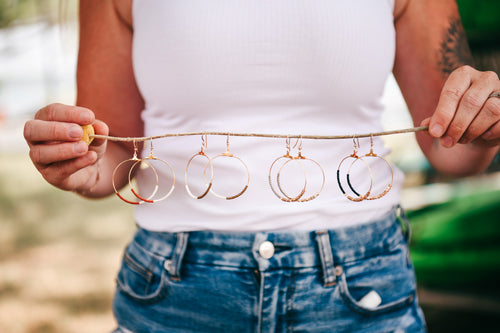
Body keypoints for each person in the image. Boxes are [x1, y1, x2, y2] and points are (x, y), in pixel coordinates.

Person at [24, 0, 500, 332]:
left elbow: (451, 147)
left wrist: (483, 124)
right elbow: (114, 153)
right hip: (178, 287)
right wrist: (83, 165)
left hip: (360, 284)